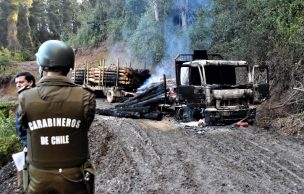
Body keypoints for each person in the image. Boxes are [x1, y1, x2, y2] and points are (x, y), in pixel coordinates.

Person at [17, 40, 96, 194]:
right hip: (74, 176)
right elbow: (85, 125)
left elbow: (23, 128)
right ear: (69, 67)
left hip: (38, 176)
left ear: (42, 66)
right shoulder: (86, 96)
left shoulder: (25, 97)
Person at [15, 72, 36, 147]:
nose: (18, 85)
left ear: (30, 82)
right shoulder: (21, 99)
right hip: (30, 143)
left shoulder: (38, 97)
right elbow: (20, 128)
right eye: (16, 83)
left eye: (21, 82)